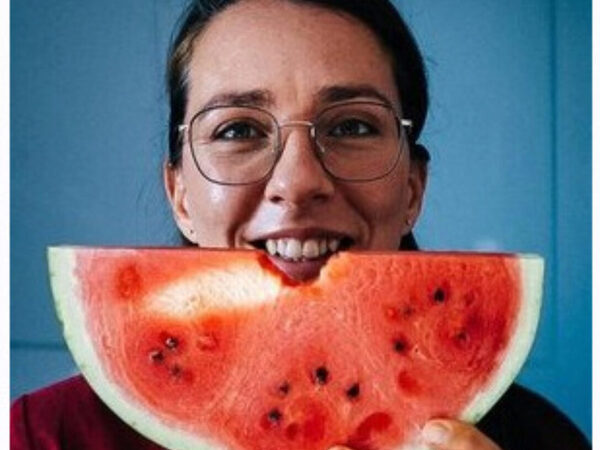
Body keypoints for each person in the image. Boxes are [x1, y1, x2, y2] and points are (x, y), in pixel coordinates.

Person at [10, 0, 590, 449]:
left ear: (412, 188)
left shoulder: (543, 440)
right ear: (180, 195)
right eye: (238, 130)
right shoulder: (39, 436)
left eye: (352, 127)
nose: (298, 180)